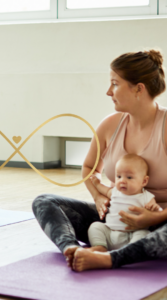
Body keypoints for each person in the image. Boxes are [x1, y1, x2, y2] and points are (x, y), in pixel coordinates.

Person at [32, 49, 167, 272]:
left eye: (114, 84)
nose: (108, 91)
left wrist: (154, 217)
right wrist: (97, 196)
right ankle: (72, 250)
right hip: (116, 220)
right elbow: (89, 168)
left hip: (161, 222)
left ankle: (110, 259)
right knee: (44, 201)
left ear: (139, 89)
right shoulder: (109, 125)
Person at [88, 154, 161, 252]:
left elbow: (156, 211)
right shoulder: (114, 191)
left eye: (129, 177)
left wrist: (154, 209)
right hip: (109, 233)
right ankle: (100, 246)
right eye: (118, 176)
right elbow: (103, 190)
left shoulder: (146, 196)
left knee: (144, 233)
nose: (122, 181)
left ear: (144, 181)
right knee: (95, 226)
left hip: (132, 235)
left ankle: (130, 251)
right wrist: (97, 184)